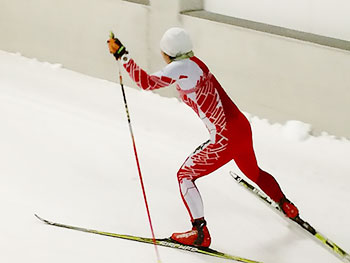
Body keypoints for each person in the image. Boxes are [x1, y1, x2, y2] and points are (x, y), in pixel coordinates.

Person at [107, 27, 299, 248]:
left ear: (167, 52)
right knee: (254, 172)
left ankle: (199, 232)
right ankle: (286, 205)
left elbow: (147, 83)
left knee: (184, 176)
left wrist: (122, 54)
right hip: (241, 128)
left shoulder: (180, 67)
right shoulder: (195, 62)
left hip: (224, 138)